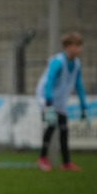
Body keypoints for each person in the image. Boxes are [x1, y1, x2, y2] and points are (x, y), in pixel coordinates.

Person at [35, 32, 87, 172]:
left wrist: (83, 105)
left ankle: (66, 163)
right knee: (51, 125)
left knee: (64, 130)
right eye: (76, 45)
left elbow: (79, 85)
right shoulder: (58, 61)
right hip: (46, 98)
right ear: (67, 46)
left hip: (60, 100)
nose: (79, 49)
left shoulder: (76, 64)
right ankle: (42, 159)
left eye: (80, 45)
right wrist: (48, 101)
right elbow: (49, 81)